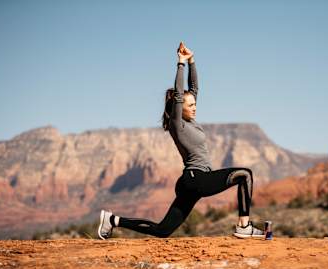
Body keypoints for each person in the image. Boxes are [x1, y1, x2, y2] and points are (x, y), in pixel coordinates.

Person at [98, 42, 264, 239]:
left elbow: (194, 87)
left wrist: (192, 60)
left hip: (190, 183)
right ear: (180, 108)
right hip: (196, 179)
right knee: (244, 175)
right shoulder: (178, 125)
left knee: (163, 230)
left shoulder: (190, 121)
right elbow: (179, 95)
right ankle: (244, 226)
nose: (194, 107)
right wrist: (180, 64)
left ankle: (112, 220)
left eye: (194, 104)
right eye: (190, 105)